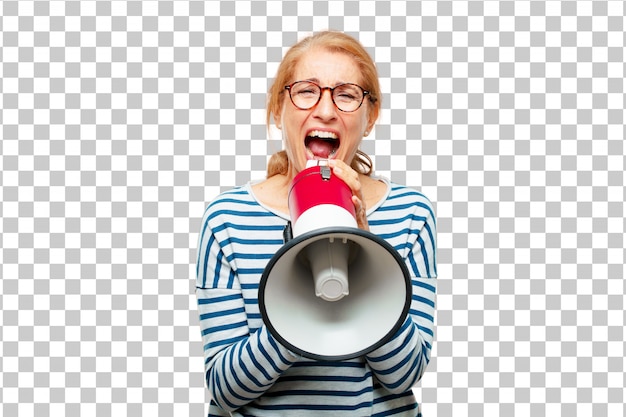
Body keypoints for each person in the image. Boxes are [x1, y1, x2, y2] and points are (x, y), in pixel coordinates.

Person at [195, 31, 437, 416]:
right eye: (307, 91)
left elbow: (404, 375)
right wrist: (298, 314)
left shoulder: (411, 213)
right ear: (278, 108)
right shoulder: (227, 218)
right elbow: (225, 391)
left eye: (346, 94)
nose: (325, 110)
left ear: (370, 117)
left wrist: (363, 245)